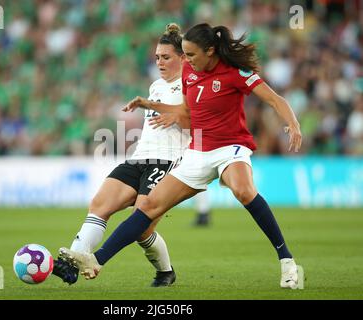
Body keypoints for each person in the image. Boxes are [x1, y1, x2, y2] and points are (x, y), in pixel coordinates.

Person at [59, 23, 304, 289]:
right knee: (148, 207)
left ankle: (287, 262)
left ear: (210, 51)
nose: (186, 60)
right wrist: (147, 103)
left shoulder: (236, 72)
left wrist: (293, 123)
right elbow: (185, 111)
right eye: (184, 55)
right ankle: (96, 260)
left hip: (230, 147)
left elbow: (275, 100)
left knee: (243, 191)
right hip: (198, 152)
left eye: (190, 54)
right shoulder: (189, 72)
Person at [52, 23, 191, 287]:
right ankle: (70, 264)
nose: (160, 62)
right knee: (99, 205)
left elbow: (195, 126)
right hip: (139, 157)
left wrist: (177, 115)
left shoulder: (190, 86)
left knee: (142, 226)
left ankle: (165, 272)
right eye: (157, 57)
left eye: (166, 57)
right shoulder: (156, 86)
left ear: (183, 58)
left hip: (169, 160)